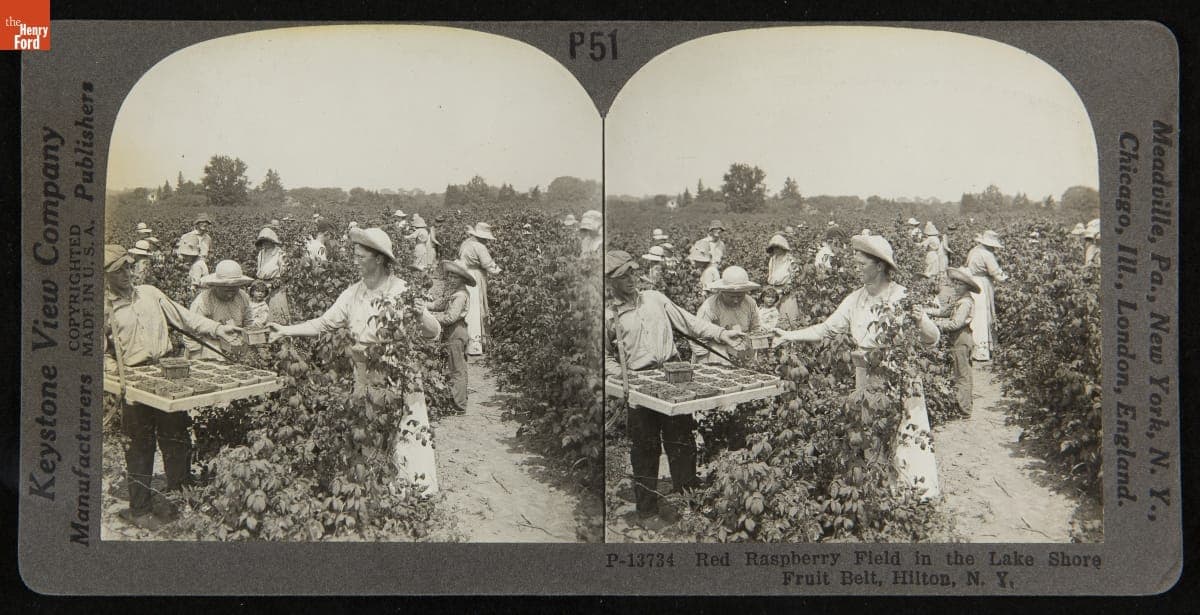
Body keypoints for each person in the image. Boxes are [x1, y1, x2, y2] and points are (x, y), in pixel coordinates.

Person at [268, 228, 442, 496]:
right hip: (363, 372)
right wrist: (285, 330)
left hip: (395, 372)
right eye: (355, 255)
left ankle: (409, 493)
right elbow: (324, 323)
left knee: (402, 427)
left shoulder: (401, 290)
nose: (355, 261)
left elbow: (433, 332)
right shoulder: (353, 293)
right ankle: (377, 490)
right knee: (369, 428)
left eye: (361, 257)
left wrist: (421, 316)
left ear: (379, 259)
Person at [773, 234, 941, 498]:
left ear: (880, 266)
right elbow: (826, 329)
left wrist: (921, 321)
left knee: (905, 430)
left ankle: (912, 495)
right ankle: (880, 494)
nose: (856, 268)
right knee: (871, 432)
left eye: (862, 264)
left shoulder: (902, 296)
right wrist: (788, 335)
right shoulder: (856, 298)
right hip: (864, 374)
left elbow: (933, 339)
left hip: (897, 375)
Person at [103, 245, 241, 529]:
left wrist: (218, 329)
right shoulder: (104, 308)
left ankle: (180, 493)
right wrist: (114, 370)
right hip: (135, 379)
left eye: (129, 267)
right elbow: (97, 353)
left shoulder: (150, 294)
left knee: (176, 436)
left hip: (167, 370)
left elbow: (185, 318)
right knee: (139, 446)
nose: (128, 273)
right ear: (105, 276)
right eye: (119, 271)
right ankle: (140, 510)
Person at [605, 250, 743, 524]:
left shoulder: (655, 299)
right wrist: (621, 375)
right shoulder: (610, 316)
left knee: (682, 443)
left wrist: (721, 334)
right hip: (639, 382)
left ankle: (688, 503)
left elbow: (690, 323)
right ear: (611, 281)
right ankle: (647, 510)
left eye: (632, 272)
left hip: (674, 375)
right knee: (645, 448)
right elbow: (604, 357)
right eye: (623, 276)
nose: (631, 279)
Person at [924, 267, 979, 415]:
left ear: (967, 286)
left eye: (960, 284)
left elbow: (955, 324)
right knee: (958, 371)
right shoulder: (959, 300)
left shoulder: (965, 302)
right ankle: (961, 405)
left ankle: (965, 409)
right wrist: (925, 312)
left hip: (962, 337)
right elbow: (944, 312)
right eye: (954, 283)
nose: (955, 286)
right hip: (958, 337)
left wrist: (934, 324)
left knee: (962, 374)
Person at [428, 260, 474, 414]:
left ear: (462, 279)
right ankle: (457, 400)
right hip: (453, 331)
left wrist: (431, 318)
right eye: (450, 276)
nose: (451, 279)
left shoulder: (460, 295)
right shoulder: (453, 293)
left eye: (455, 277)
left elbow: (450, 318)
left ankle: (459, 405)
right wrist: (423, 306)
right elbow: (439, 305)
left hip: (457, 331)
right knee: (455, 366)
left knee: (457, 369)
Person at [187, 260, 256, 360]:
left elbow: (248, 322)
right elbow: (191, 331)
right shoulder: (203, 301)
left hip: (235, 342)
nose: (230, 295)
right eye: (226, 291)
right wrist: (196, 358)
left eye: (234, 290)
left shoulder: (242, 296)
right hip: (210, 345)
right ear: (216, 286)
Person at [693, 266, 761, 365]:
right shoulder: (710, 306)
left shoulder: (750, 303)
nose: (736, 300)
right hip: (717, 349)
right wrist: (703, 362)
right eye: (732, 296)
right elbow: (698, 335)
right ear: (722, 292)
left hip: (742, 347)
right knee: (720, 366)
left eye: (740, 296)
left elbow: (755, 329)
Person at [458, 222, 501, 356]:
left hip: (464, 275)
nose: (487, 241)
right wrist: (500, 271)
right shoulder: (480, 247)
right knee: (476, 309)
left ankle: (464, 342)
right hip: (475, 277)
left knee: (466, 308)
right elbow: (489, 265)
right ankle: (475, 346)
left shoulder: (466, 243)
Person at [965, 230, 1008, 362]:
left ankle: (971, 348)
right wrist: (1007, 278)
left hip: (971, 283)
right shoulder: (987, 255)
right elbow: (997, 274)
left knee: (973, 315)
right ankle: (982, 351)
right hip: (982, 285)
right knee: (982, 316)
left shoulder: (974, 250)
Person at [765, 233, 801, 324]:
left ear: (783, 247)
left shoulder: (790, 260)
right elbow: (771, 275)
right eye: (774, 248)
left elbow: (794, 280)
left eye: (778, 247)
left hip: (786, 294)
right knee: (773, 320)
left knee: (788, 319)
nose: (775, 250)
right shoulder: (772, 259)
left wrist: (782, 292)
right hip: (774, 291)